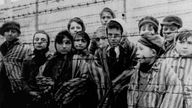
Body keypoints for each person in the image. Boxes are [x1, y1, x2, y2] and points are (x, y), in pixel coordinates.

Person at [93, 18, 137, 108]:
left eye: (116, 35)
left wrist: (120, 81)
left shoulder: (130, 48)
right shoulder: (100, 52)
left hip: (125, 92)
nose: (112, 38)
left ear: (122, 35)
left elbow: (134, 67)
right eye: (110, 35)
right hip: (107, 91)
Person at [0, 21, 31, 108]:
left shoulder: (24, 48)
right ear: (3, 33)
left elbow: (29, 70)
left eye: (13, 31)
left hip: (17, 87)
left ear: (18, 34)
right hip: (2, 86)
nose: (10, 34)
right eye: (7, 31)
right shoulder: (1, 49)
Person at [160, 29, 192, 107]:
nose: (185, 46)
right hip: (169, 102)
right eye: (181, 42)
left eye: (190, 43)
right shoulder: (166, 60)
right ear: (175, 43)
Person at [21, 30, 52, 108]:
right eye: (36, 39)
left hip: (49, 97)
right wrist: (29, 91)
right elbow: (23, 79)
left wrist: (46, 92)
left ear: (48, 43)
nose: (39, 42)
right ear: (33, 42)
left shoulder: (52, 59)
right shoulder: (27, 60)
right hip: (30, 97)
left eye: (43, 40)